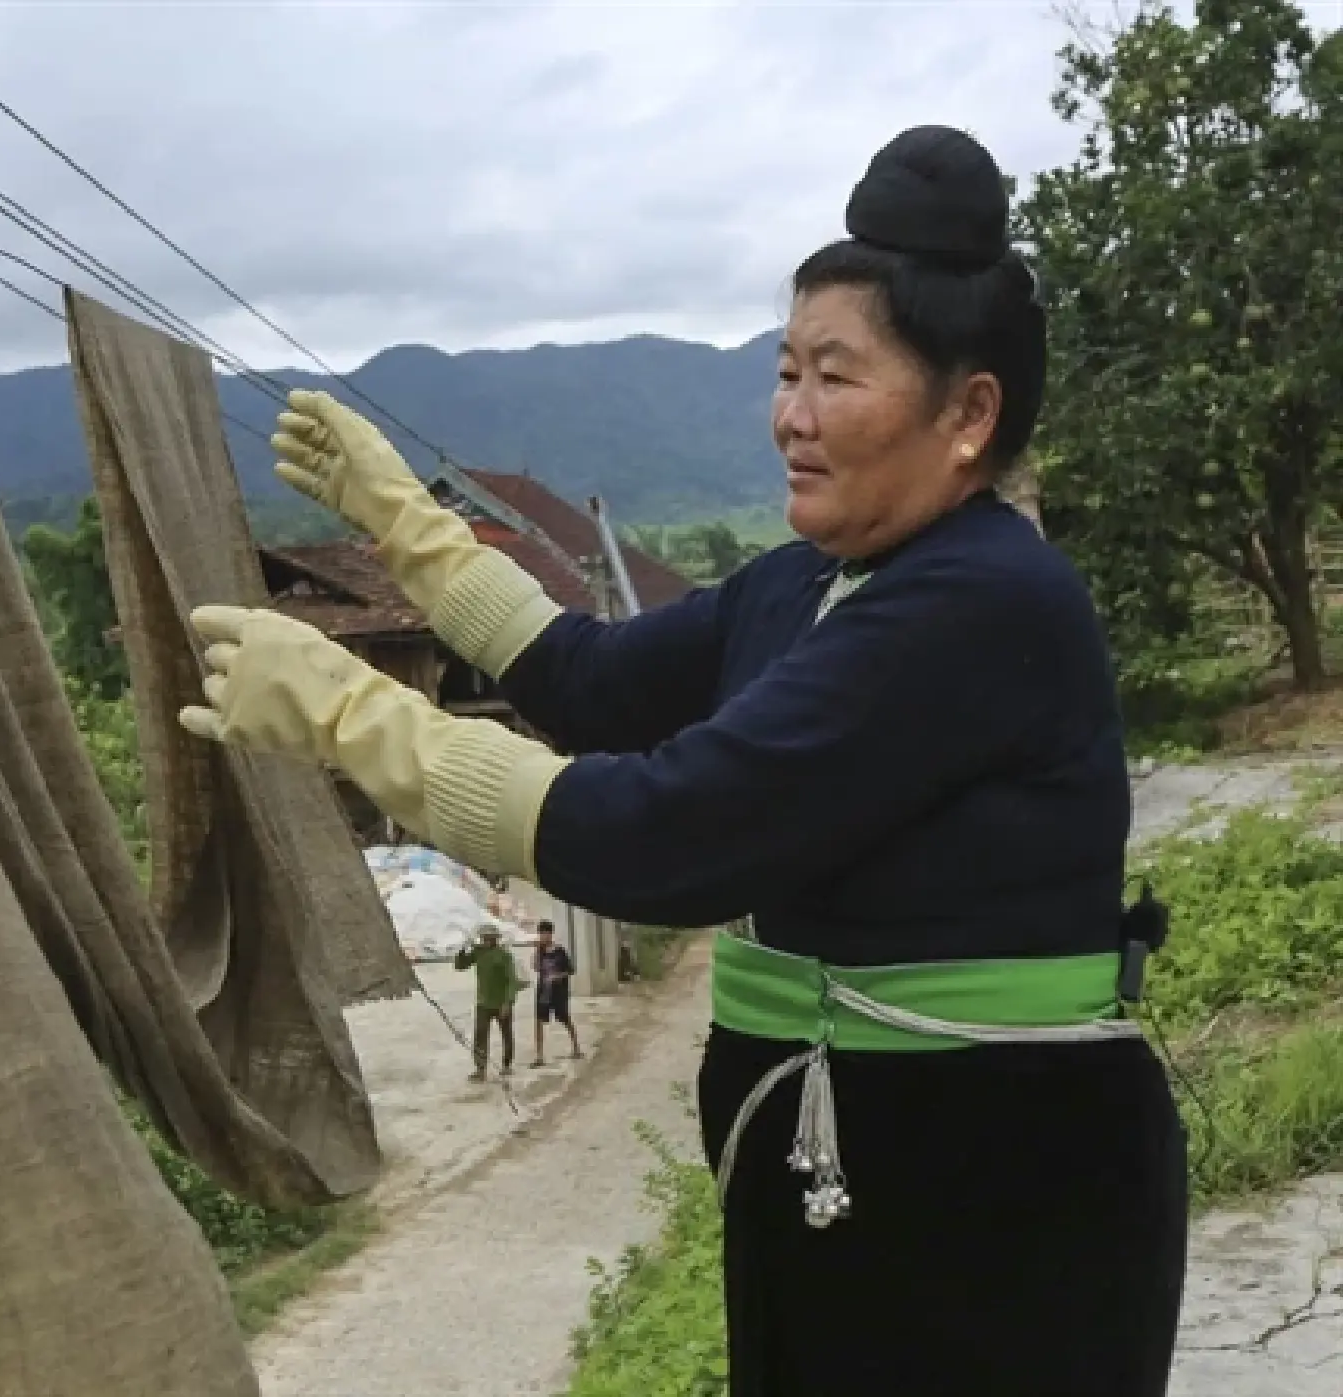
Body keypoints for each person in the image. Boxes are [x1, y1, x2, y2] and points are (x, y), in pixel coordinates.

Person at [177, 124, 1186, 1396]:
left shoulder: (982, 602)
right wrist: (411, 531)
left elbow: (666, 833)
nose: (790, 417)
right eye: (783, 371)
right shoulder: (806, 581)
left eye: (834, 377)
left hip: (989, 1197)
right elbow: (592, 683)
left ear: (966, 411)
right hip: (842, 1178)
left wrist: (360, 722)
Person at [452, 922, 518, 1081]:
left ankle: (507, 1065)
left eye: (489, 937)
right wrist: (462, 949)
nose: (486, 940)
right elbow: (460, 966)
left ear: (495, 938)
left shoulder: (504, 955)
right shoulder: (478, 953)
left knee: (506, 1034)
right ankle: (480, 1068)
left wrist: (508, 1002)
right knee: (480, 1035)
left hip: (501, 1002)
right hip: (483, 1003)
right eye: (484, 937)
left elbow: (511, 981)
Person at [529, 921, 581, 1065]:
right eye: (541, 933)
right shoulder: (540, 951)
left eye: (545, 933)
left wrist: (558, 976)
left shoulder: (560, 951)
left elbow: (570, 970)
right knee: (539, 1021)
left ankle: (576, 1047)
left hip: (558, 992)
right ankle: (539, 1056)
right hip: (543, 991)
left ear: (551, 934)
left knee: (565, 1018)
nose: (543, 936)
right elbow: (536, 968)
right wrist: (537, 951)